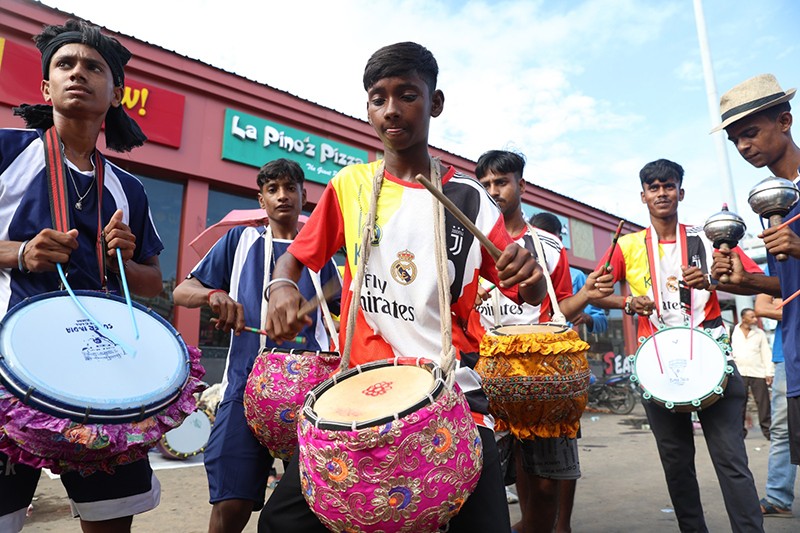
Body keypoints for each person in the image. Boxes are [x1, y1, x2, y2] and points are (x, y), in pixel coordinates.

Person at [259, 42, 564, 533]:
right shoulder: (350, 186)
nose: (392, 110)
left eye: (407, 95)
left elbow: (524, 290)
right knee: (283, 523)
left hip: (454, 397)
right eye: (378, 98)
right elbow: (295, 257)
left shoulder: (469, 200)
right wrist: (280, 287)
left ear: (435, 103)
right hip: (361, 395)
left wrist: (526, 278)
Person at [0, 19, 163, 533]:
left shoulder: (128, 190)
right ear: (46, 87)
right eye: (65, 65)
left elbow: (152, 284)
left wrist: (127, 259)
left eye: (94, 67)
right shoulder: (7, 154)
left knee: (111, 520)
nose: (79, 73)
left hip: (98, 372)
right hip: (9, 366)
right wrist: (20, 252)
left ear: (117, 94)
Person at [594, 159, 766, 532]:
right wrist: (627, 302)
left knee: (731, 459)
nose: (661, 193)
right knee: (676, 464)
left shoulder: (707, 238)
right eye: (653, 187)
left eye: (668, 186)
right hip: (657, 365)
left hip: (713, 356)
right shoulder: (627, 246)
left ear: (680, 192)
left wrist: (711, 281)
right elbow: (595, 291)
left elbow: (752, 280)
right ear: (643, 196)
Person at [172, 158, 340, 533]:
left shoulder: (321, 255)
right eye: (273, 189)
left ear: (304, 196)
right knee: (232, 504)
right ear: (261, 199)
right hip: (244, 388)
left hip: (311, 397)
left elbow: (342, 315)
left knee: (313, 509)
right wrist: (214, 296)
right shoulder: (240, 240)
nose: (283, 196)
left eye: (290, 188)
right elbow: (183, 291)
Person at [470, 151, 607, 533]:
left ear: (521, 186)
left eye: (502, 182)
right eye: (486, 185)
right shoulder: (467, 242)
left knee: (547, 487)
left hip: (543, 378)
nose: (494, 191)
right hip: (485, 375)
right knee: (488, 485)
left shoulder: (548, 245)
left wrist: (588, 293)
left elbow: (561, 306)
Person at [714, 73, 800, 469]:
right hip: (795, 351)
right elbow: (792, 285)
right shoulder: (775, 203)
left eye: (750, 133)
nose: (743, 147)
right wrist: (746, 281)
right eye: (735, 141)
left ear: (785, 121)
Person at [529, 210, 607, 533]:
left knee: (564, 447)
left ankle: (564, 524)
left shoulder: (573, 274)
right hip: (528, 368)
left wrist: (584, 315)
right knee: (527, 450)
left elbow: (600, 316)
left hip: (564, 368)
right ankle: (537, 522)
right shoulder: (520, 268)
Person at [754, 293, 796, 517]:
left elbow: (774, 307)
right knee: (781, 429)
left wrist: (787, 308)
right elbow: (762, 307)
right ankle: (778, 497)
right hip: (787, 356)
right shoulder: (778, 265)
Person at [731, 307, 773, 439]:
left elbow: (766, 353)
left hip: (758, 372)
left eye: (755, 317)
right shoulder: (733, 331)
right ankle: (740, 432)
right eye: (752, 317)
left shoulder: (759, 333)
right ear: (743, 318)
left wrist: (769, 372)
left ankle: (767, 431)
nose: (755, 319)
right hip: (739, 372)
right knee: (739, 404)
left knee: (763, 403)